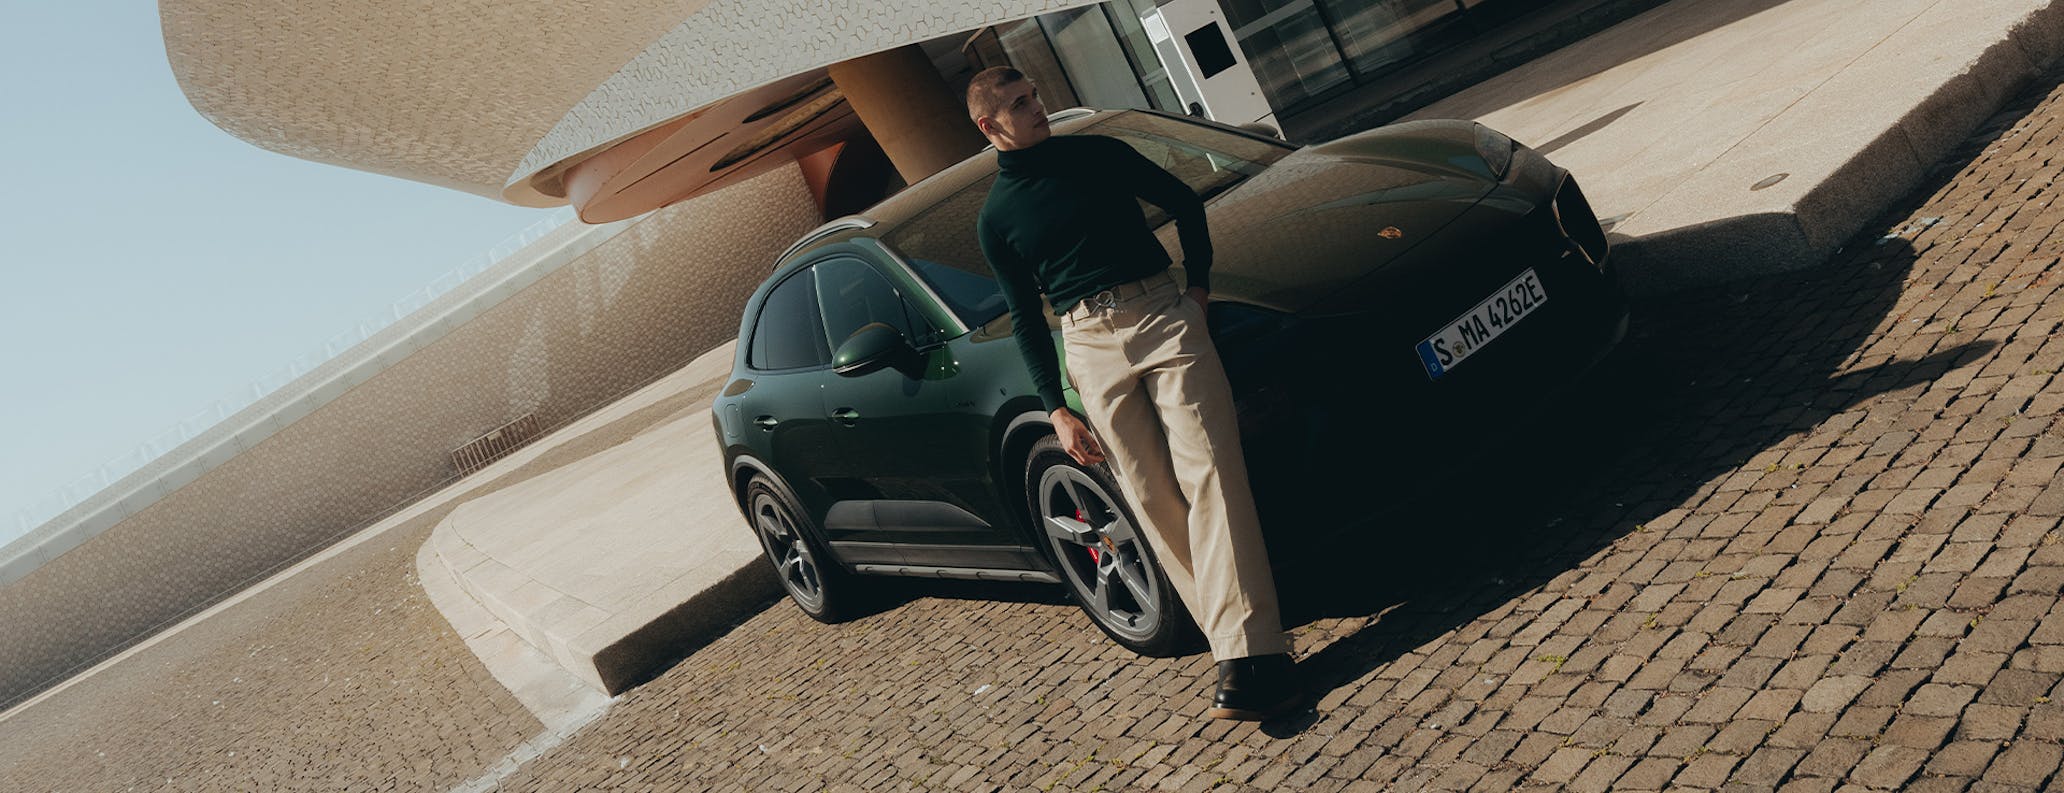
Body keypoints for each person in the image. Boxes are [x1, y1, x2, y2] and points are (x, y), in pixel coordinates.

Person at [966, 66, 1300, 721]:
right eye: (1018, 104)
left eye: (1032, 95)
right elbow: (1026, 317)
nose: (1037, 107)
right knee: (1149, 494)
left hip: (1162, 314)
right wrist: (1054, 406)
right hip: (1087, 342)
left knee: (1211, 472)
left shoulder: (1098, 153)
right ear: (988, 126)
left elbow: (1186, 201)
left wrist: (1197, 290)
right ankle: (1236, 643)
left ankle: (1249, 654)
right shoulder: (996, 220)